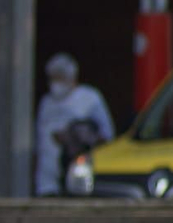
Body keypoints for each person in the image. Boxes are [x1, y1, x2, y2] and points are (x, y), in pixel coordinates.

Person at [35, 52, 115, 195]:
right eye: (53, 78)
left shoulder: (89, 98)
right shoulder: (46, 103)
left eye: (60, 78)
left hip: (77, 173)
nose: (56, 83)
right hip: (47, 178)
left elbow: (106, 134)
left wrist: (73, 137)